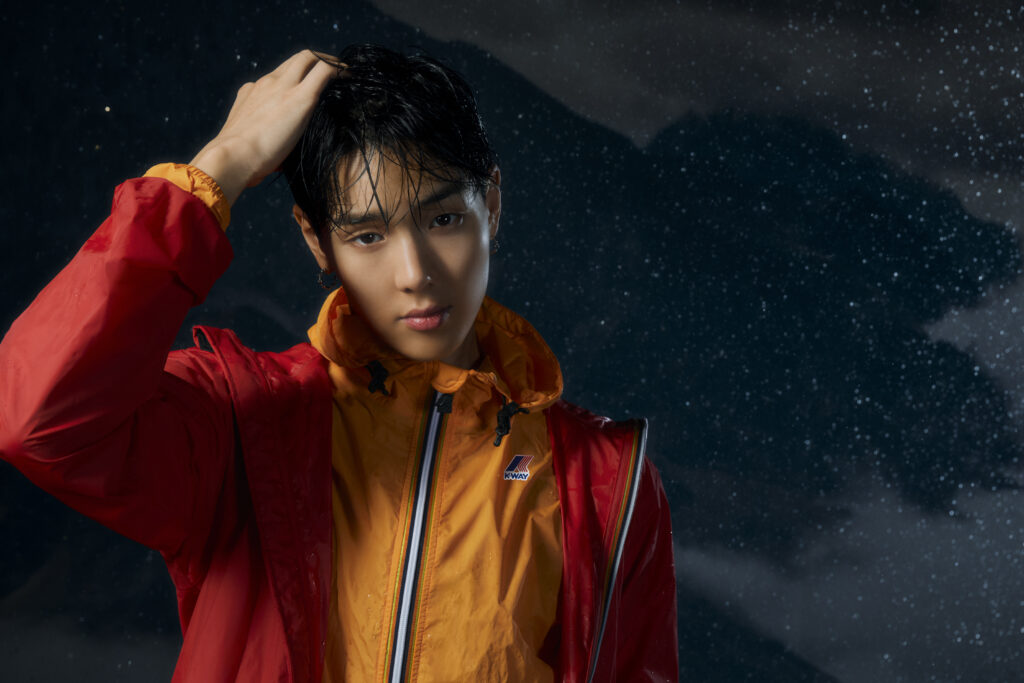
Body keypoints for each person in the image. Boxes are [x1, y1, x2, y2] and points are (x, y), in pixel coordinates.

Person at [0, 44, 677, 682]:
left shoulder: (604, 480)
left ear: (491, 206)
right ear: (317, 240)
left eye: (443, 220)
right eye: (368, 235)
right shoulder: (241, 421)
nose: (414, 274)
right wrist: (221, 167)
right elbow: (40, 418)